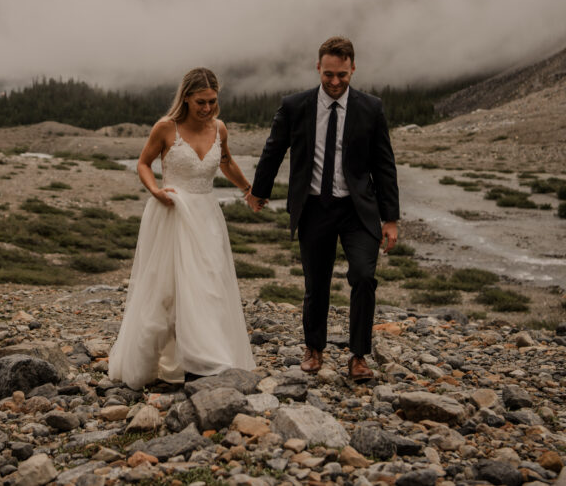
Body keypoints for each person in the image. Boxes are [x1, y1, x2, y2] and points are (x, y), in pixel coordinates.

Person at [247, 36, 399, 382]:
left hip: (358, 209)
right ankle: (314, 348)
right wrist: (259, 191)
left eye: (342, 75)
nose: (334, 82)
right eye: (328, 74)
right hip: (314, 206)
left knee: (363, 276)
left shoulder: (370, 108)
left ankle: (359, 356)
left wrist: (390, 218)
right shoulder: (295, 106)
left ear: (353, 69)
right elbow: (274, 150)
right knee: (316, 282)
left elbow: (384, 164)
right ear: (318, 67)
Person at [108, 67, 256, 388]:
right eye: (201, 102)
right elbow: (144, 164)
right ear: (186, 98)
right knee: (167, 289)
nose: (207, 109)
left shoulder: (219, 128)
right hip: (172, 213)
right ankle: (156, 360)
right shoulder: (166, 128)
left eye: (212, 102)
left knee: (209, 285)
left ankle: (204, 357)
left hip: (206, 216)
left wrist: (248, 190)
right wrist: (155, 191)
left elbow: (226, 161)